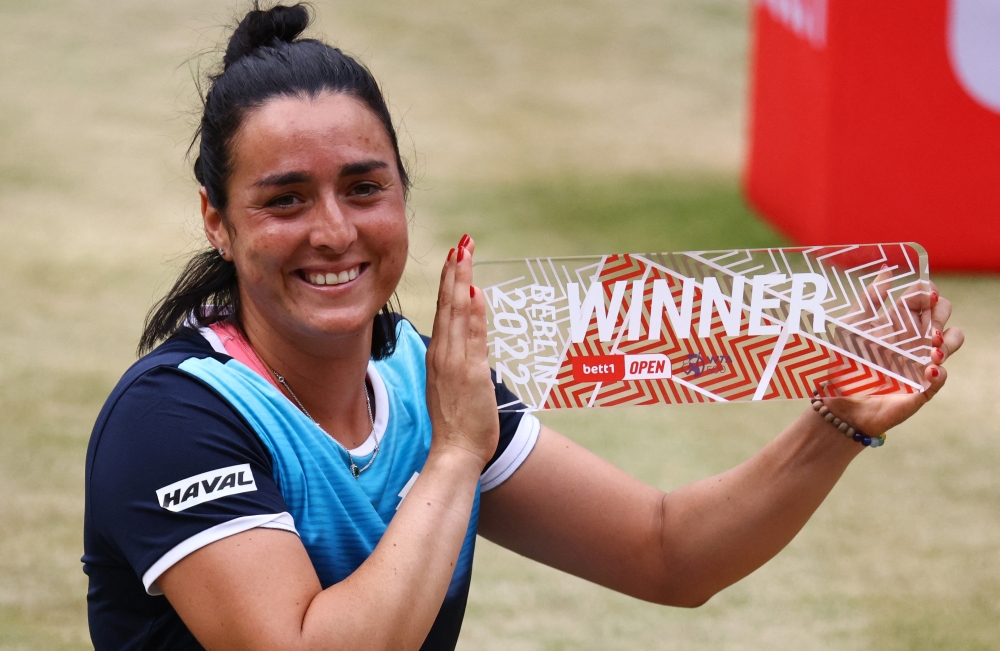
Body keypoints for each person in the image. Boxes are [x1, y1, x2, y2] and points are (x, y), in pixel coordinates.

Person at [82, 4, 964, 650]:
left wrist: (836, 424)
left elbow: (665, 553)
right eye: (283, 200)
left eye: (363, 187)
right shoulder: (173, 422)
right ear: (216, 220)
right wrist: (457, 453)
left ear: (402, 194)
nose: (335, 231)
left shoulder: (419, 382)